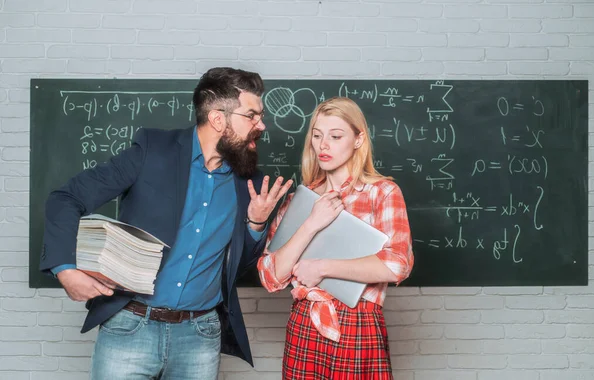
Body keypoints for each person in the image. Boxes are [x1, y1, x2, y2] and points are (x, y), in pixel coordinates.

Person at [39, 67, 293, 379]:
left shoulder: (250, 183)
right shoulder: (151, 151)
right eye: (252, 115)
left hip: (200, 336)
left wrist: (255, 223)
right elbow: (66, 198)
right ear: (218, 119)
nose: (261, 125)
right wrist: (65, 269)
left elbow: (240, 269)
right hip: (130, 326)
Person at [257, 97, 414, 379]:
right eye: (317, 136)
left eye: (335, 136)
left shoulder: (382, 192)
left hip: (359, 322)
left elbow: (397, 264)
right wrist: (311, 224)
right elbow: (270, 277)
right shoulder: (297, 201)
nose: (323, 145)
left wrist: (322, 267)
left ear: (358, 139)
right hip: (305, 321)